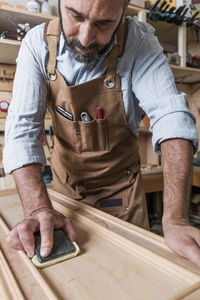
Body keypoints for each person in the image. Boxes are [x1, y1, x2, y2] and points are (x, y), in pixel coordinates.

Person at [3, 0, 200, 267]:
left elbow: (171, 118)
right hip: (63, 200)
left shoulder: (138, 42)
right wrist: (38, 208)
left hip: (124, 199)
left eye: (104, 23)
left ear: (123, 9)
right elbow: (22, 132)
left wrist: (176, 219)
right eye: (75, 16)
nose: (85, 38)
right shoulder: (36, 44)